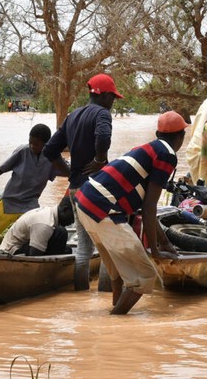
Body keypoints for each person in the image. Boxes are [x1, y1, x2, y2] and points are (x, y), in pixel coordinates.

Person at [75, 111, 186, 315]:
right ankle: (114, 321)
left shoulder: (146, 149)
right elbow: (150, 206)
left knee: (118, 271)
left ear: (157, 134)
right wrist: (155, 250)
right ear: (181, 137)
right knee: (144, 275)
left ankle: (115, 321)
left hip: (85, 203)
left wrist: (164, 243)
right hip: (104, 208)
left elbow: (145, 207)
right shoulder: (167, 154)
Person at [43, 73, 119, 291]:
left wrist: (69, 170)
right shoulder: (102, 114)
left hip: (76, 189)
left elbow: (50, 149)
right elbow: (103, 137)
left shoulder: (73, 116)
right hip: (98, 187)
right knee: (107, 247)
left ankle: (80, 295)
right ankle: (106, 297)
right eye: (112, 98)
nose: (113, 103)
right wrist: (100, 160)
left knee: (84, 248)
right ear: (104, 96)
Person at [0, 123, 65, 251]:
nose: (32, 146)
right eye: (30, 142)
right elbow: (1, 169)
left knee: (33, 237)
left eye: (36, 144)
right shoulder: (23, 151)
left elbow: (67, 171)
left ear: (46, 144)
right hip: (9, 202)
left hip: (30, 205)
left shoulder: (52, 157)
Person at [0, 195, 75, 256]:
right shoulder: (45, 223)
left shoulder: (50, 213)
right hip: (12, 251)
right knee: (61, 233)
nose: (73, 221)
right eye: (73, 217)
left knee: (67, 249)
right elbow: (35, 256)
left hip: (24, 244)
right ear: (65, 210)